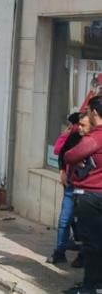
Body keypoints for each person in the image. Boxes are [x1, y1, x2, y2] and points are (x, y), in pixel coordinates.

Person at [64, 95, 102, 293]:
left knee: (91, 244)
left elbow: (69, 155)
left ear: (95, 113)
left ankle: (88, 288)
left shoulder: (95, 137)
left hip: (91, 196)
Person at [47, 112, 88, 267]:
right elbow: (62, 153)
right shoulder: (75, 135)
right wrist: (62, 171)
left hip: (88, 188)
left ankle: (84, 255)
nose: (78, 128)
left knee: (86, 222)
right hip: (71, 185)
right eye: (79, 124)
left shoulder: (94, 140)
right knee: (65, 219)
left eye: (82, 125)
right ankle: (59, 251)